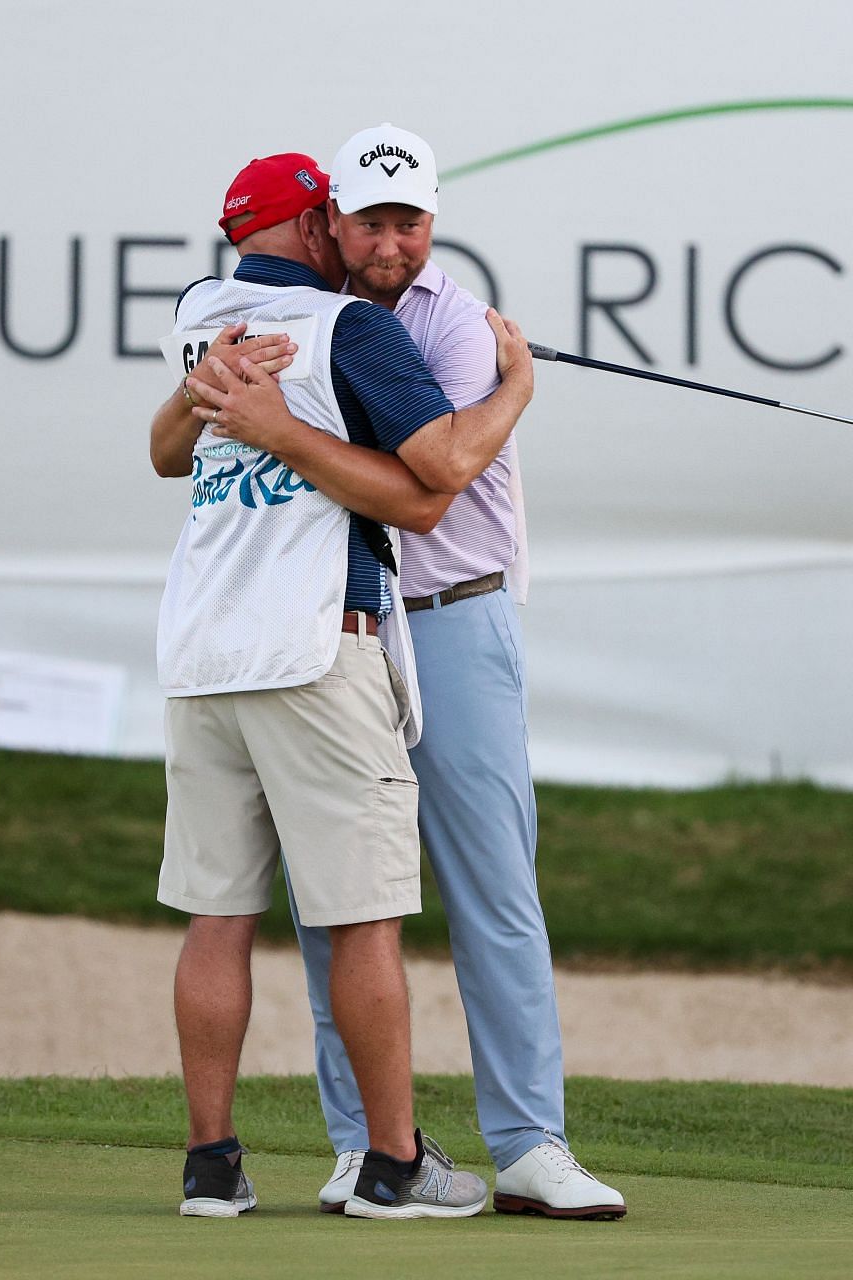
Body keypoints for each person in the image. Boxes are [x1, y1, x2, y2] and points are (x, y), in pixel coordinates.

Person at [183, 124, 625, 1220]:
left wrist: (512, 382)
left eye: (409, 220)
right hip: (331, 631)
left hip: (452, 617)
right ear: (331, 221)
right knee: (334, 905)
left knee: (494, 892)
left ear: (432, 219)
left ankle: (529, 1142)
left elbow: (448, 469)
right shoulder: (290, 322)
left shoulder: (458, 322)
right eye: (369, 220)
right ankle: (360, 1146)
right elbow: (196, 438)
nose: (391, 241)